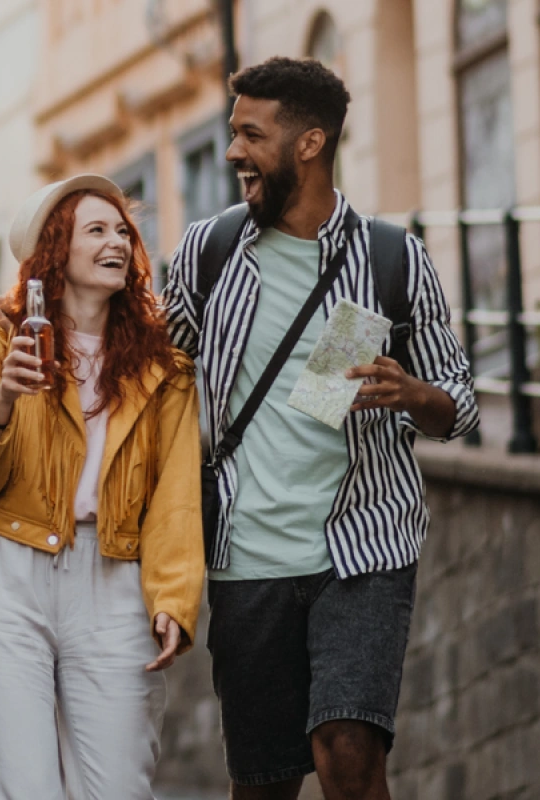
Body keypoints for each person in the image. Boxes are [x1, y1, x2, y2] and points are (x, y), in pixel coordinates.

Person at [159, 58, 477, 800]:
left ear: (309, 143)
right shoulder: (209, 255)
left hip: (362, 547)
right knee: (264, 784)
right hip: (248, 557)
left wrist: (411, 393)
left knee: (347, 751)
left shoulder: (392, 260)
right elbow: (144, 368)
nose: (233, 151)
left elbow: (461, 404)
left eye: (249, 133)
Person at [0, 176, 203, 799]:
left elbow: (176, 493)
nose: (116, 242)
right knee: (21, 786)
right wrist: (3, 400)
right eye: (95, 230)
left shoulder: (163, 366)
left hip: (112, 574)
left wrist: (173, 595)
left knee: (119, 786)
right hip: (6, 567)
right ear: (55, 250)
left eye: (122, 232)